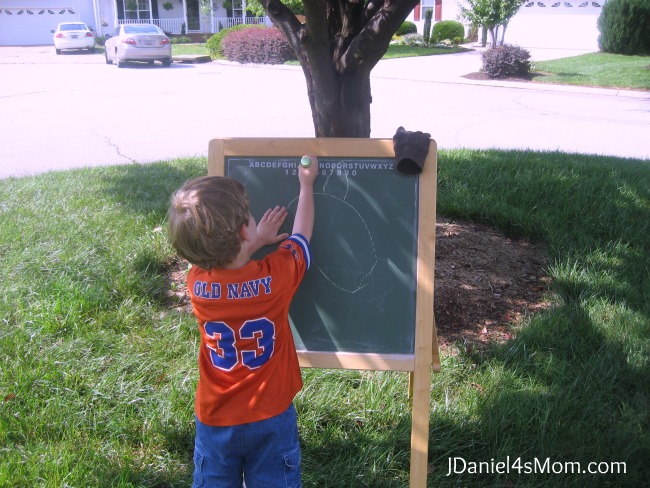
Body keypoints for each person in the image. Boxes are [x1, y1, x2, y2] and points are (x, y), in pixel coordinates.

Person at [167, 156, 319, 488]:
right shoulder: (276, 277)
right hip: (271, 414)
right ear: (243, 230)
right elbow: (301, 238)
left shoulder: (197, 283)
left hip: (215, 416)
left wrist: (257, 240)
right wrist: (306, 185)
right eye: (249, 217)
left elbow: (224, 261)